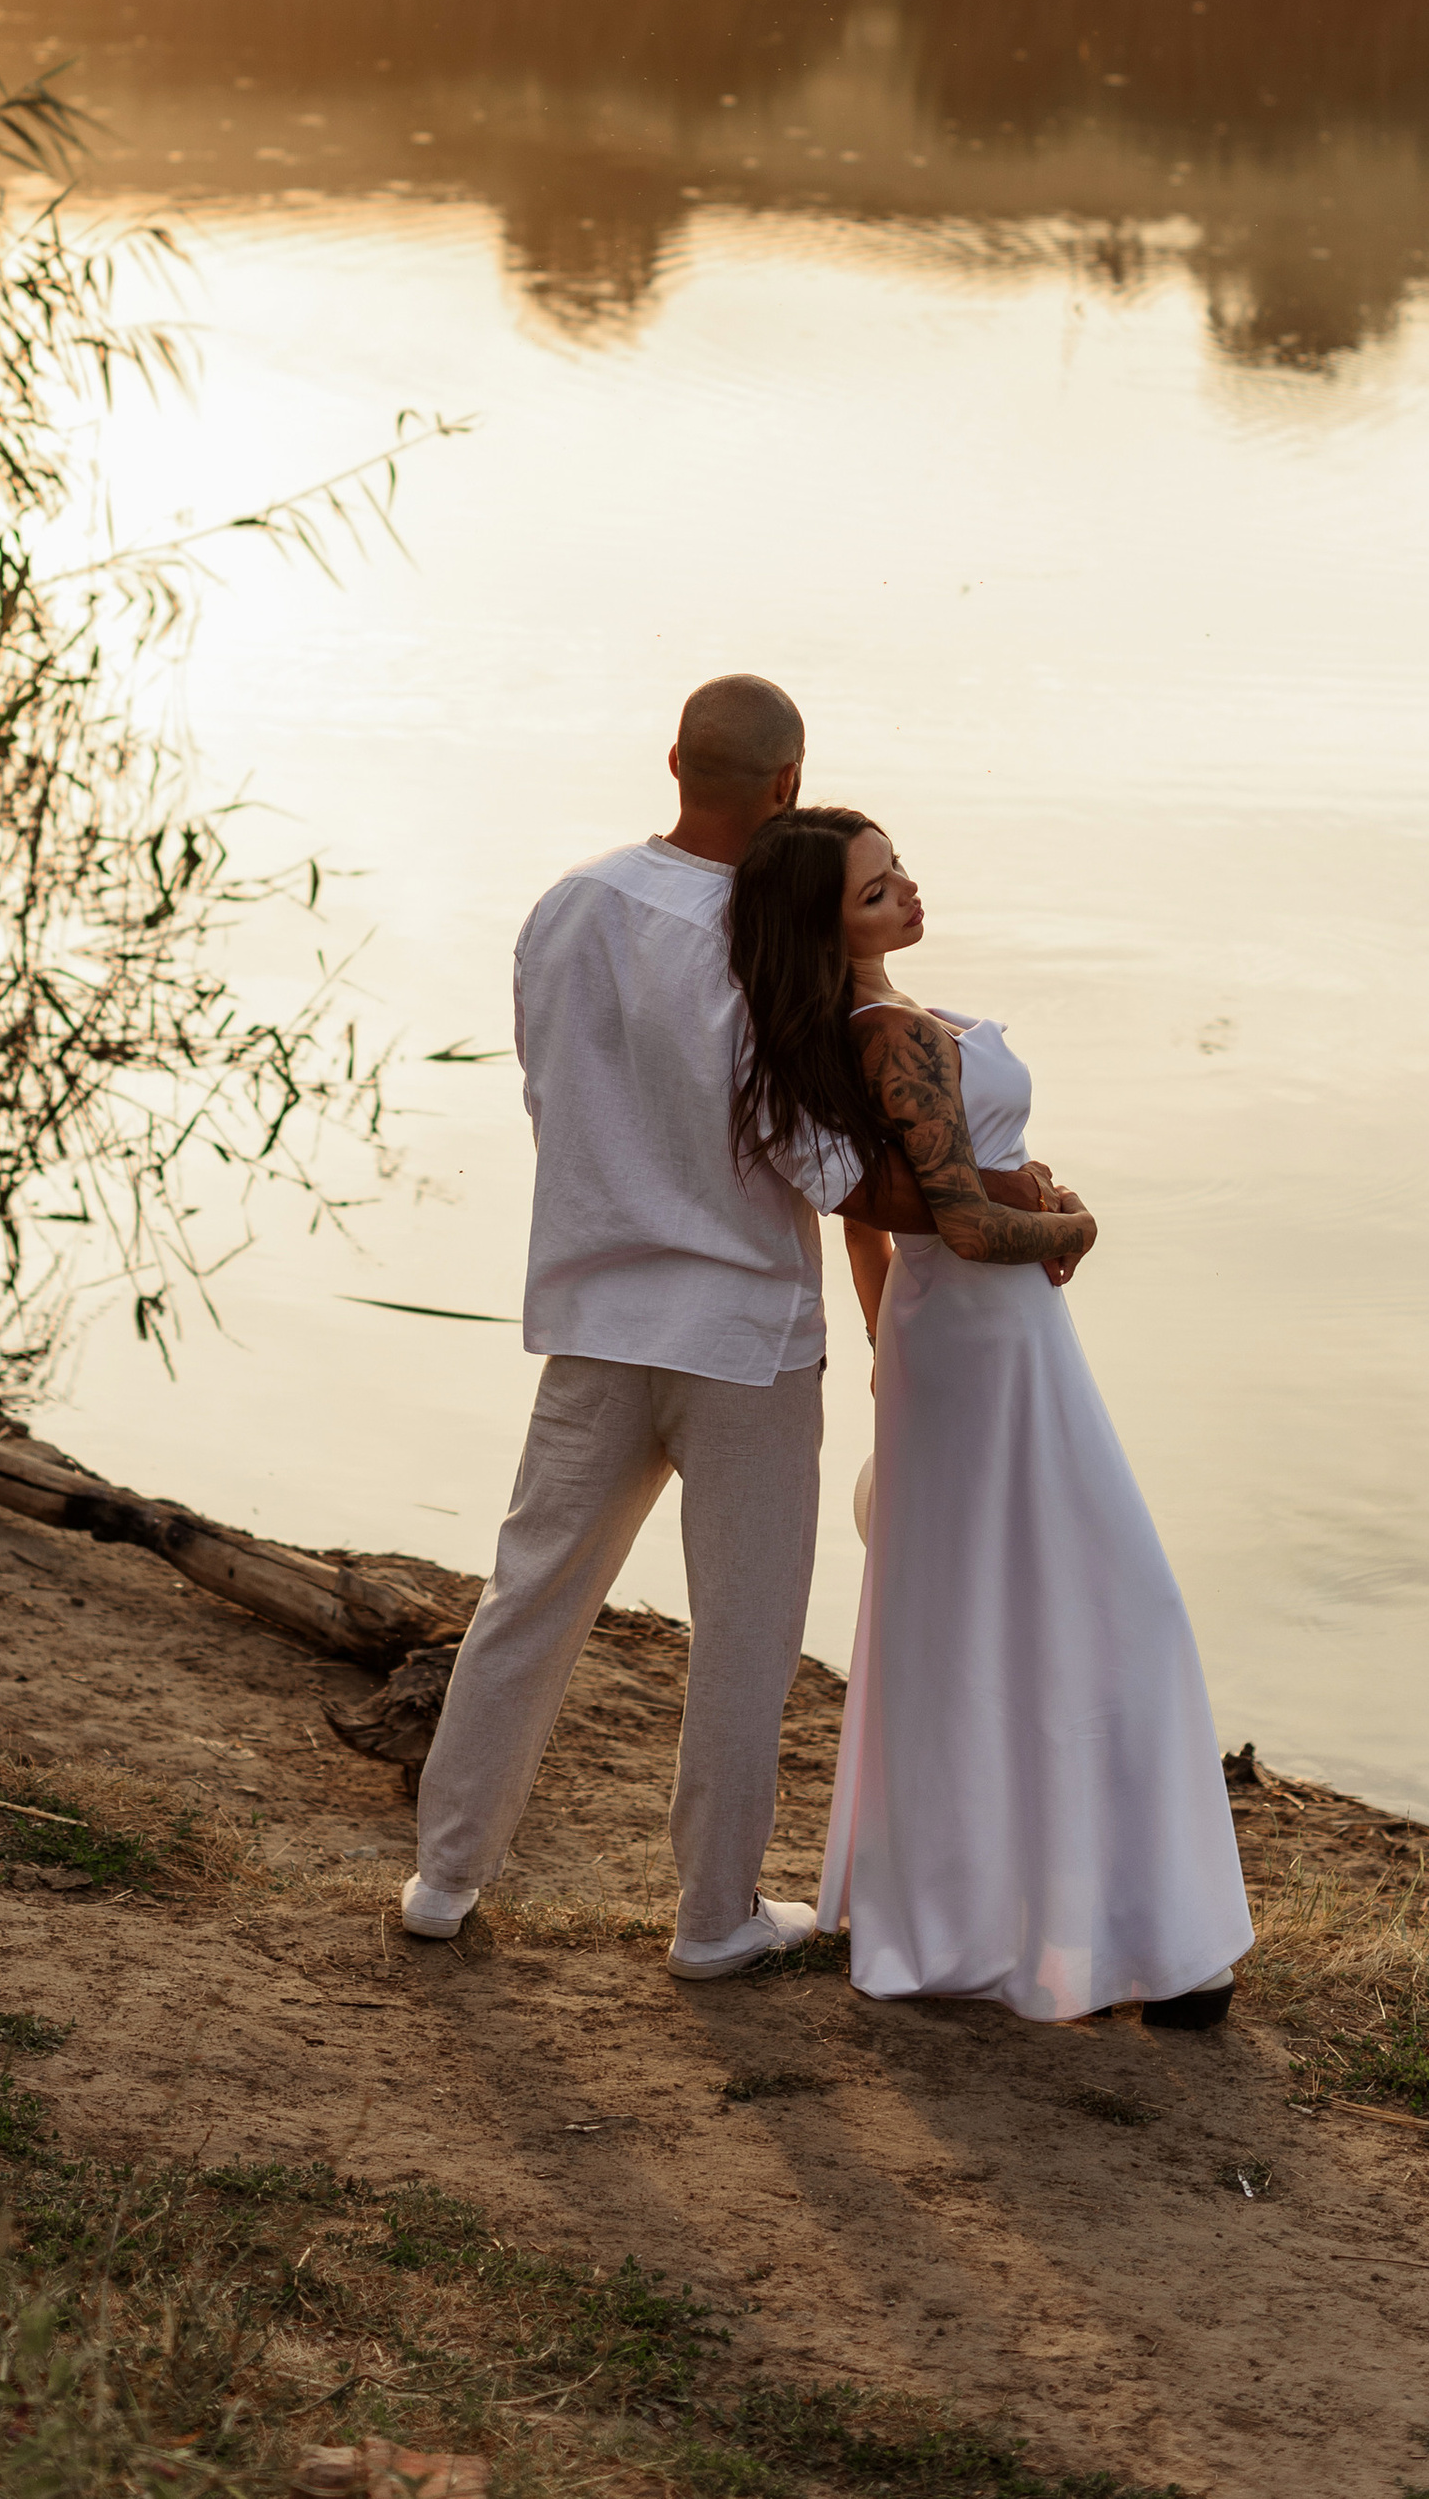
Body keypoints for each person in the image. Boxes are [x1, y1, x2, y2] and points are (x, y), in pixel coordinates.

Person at [729, 804, 1252, 2028]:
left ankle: (1088, 1927)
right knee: (1112, 1601)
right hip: (978, 1339)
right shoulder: (885, 1035)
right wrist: (1073, 1225)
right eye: (874, 892)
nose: (905, 892)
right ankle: (1115, 1941)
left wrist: (884, 1348)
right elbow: (958, 1221)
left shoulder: (898, 1019)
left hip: (975, 1344)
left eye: (897, 870)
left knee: (1002, 1607)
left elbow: (884, 1215)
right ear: (825, 929)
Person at [400, 674, 829, 1976]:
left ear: (672, 762)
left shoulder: (569, 905)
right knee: (743, 1632)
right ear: (788, 789)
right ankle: (713, 1918)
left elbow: (551, 1093)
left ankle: (444, 1874)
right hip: (746, 1328)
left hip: (598, 1306)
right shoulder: (779, 935)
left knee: (529, 1596)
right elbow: (812, 1154)